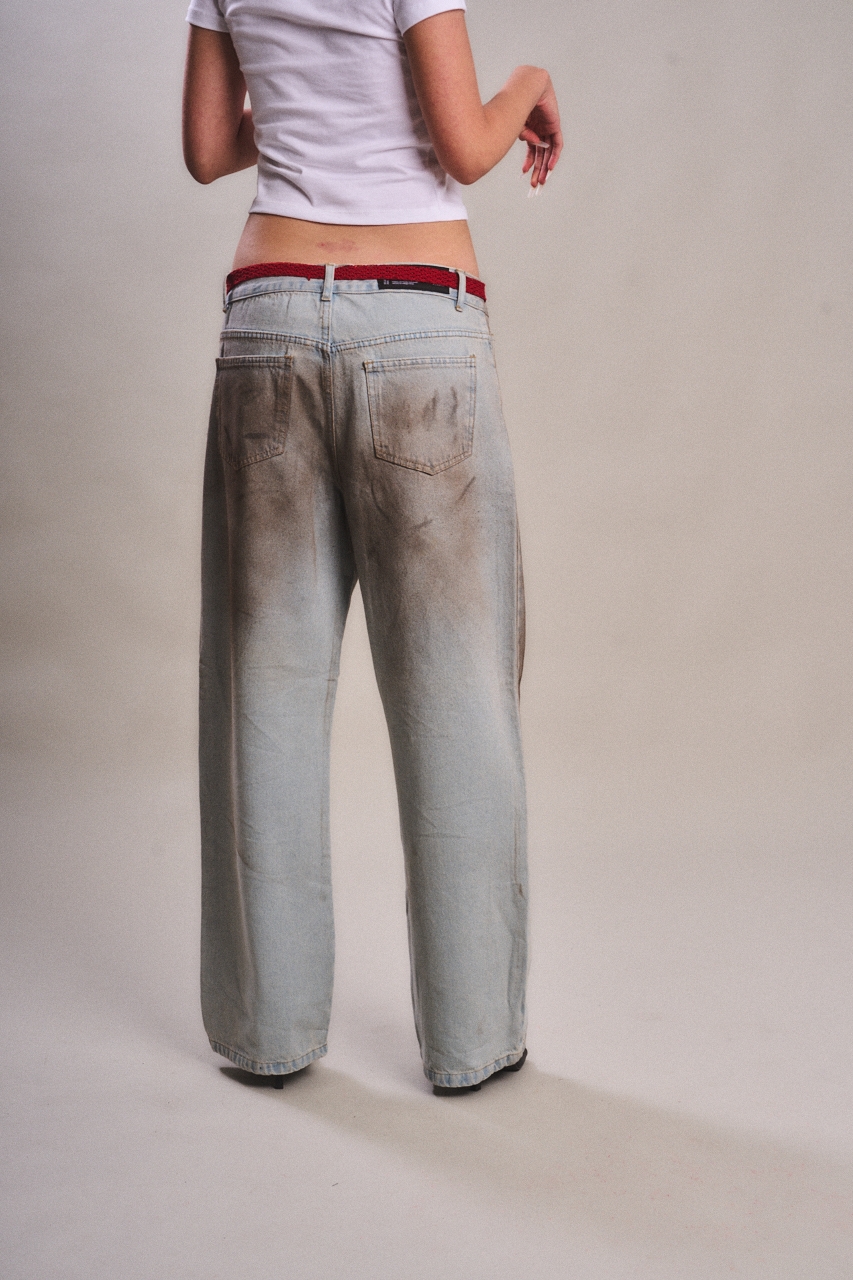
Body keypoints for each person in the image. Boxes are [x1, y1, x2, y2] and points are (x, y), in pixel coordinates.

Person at [182, 0, 562, 1095]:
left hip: (266, 317)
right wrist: (530, 83)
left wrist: (305, 102)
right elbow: (466, 147)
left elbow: (207, 148)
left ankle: (268, 1033)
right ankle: (472, 1038)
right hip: (417, 325)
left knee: (264, 686)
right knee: (454, 690)